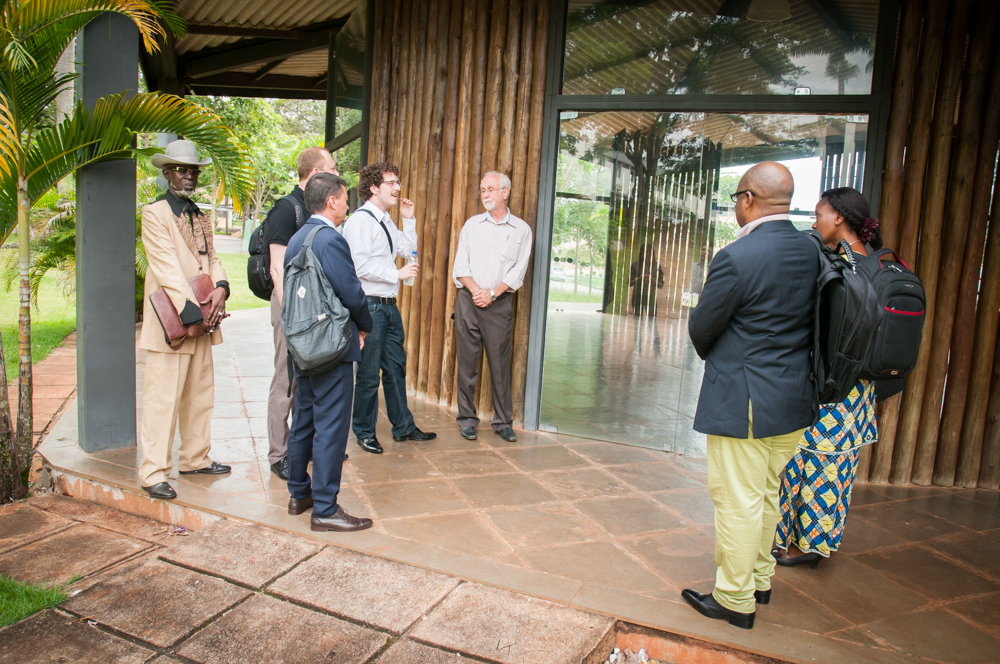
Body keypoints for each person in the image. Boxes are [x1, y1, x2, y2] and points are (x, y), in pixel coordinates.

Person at [682, 162, 819, 630]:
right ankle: (760, 579)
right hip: (795, 399)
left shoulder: (738, 257)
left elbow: (703, 326)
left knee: (738, 500)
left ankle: (735, 600)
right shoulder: (812, 249)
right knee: (767, 493)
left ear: (747, 199)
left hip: (746, 403)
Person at [774, 188, 881, 567]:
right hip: (855, 386)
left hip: (838, 384)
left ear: (838, 218)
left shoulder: (846, 266)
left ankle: (809, 547)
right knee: (817, 463)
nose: (815, 222)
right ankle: (795, 538)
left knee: (822, 467)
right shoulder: (873, 264)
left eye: (819, 214)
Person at [137, 140, 232, 500]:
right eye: (181, 169)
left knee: (200, 394)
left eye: (193, 170)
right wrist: (194, 313)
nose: (189, 175)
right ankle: (153, 473)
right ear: (166, 173)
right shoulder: (154, 213)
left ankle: (195, 458)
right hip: (173, 323)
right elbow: (166, 268)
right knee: (162, 400)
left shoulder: (200, 213)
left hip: (204, 321)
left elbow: (213, 258)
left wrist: (221, 287)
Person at [283, 173, 374, 532]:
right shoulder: (329, 240)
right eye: (344, 198)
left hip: (303, 347)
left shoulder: (296, 239)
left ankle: (298, 494)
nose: (348, 204)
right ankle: (325, 508)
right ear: (332, 201)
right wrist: (364, 325)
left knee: (303, 421)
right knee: (331, 428)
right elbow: (351, 292)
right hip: (331, 348)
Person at [341, 162, 436, 454]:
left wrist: (409, 220)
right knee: (369, 375)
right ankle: (364, 431)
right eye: (391, 183)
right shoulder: (360, 221)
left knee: (396, 369)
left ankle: (403, 427)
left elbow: (407, 250)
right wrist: (396, 274)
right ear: (373, 187)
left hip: (389, 308)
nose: (397, 188)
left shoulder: (386, 220)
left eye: (398, 181)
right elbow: (359, 266)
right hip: (370, 307)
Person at [263, 147, 340, 480]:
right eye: (333, 169)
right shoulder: (286, 209)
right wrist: (291, 317)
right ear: (316, 171)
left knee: (307, 382)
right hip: (291, 310)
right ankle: (279, 453)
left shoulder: (316, 210)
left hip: (313, 311)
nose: (337, 174)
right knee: (286, 380)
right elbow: (277, 268)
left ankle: (303, 446)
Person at [452, 171, 532, 442]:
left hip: (499, 305)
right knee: (466, 363)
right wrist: (477, 292)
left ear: (505, 192)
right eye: (482, 190)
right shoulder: (471, 225)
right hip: (468, 301)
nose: (485, 194)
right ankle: (466, 419)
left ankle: (503, 422)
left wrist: (493, 294)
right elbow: (460, 266)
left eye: (490, 189)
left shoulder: (521, 230)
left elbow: (518, 271)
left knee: (499, 365)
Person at [629, 244, 663, 315]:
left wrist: (652, 280)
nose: (646, 254)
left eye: (648, 252)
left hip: (651, 297)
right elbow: (629, 283)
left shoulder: (656, 266)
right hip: (637, 296)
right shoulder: (635, 265)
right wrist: (638, 279)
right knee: (638, 321)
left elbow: (660, 285)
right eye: (644, 252)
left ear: (651, 253)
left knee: (652, 322)